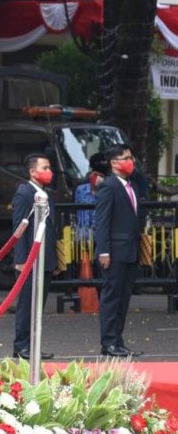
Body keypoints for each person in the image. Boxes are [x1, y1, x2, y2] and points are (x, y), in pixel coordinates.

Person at [95, 144, 145, 358]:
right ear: (114, 163)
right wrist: (103, 250)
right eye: (126, 158)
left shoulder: (131, 184)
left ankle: (118, 340)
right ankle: (108, 342)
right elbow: (102, 221)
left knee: (123, 298)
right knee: (111, 297)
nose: (130, 161)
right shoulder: (108, 186)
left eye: (131, 157)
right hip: (114, 251)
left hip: (130, 249)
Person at [12, 153, 57, 361]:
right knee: (27, 304)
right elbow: (19, 229)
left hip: (45, 258)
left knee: (39, 305)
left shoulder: (46, 194)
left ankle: (34, 345)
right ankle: (22, 346)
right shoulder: (25, 193)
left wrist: (54, 260)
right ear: (32, 171)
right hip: (29, 259)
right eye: (45, 168)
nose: (49, 172)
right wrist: (21, 260)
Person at [74, 152, 108, 240]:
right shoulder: (81, 190)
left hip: (102, 237)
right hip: (83, 238)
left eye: (100, 176)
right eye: (94, 174)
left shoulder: (109, 190)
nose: (96, 178)